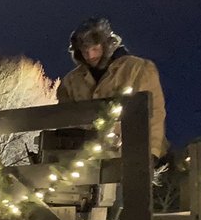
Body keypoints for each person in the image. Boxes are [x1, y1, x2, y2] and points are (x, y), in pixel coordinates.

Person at [57, 17, 168, 161]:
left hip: (128, 154)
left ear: (107, 45)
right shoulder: (71, 81)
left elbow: (154, 113)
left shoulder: (137, 69)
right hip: (83, 159)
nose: (90, 55)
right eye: (85, 51)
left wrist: (152, 152)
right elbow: (63, 118)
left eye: (95, 49)